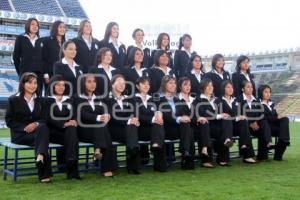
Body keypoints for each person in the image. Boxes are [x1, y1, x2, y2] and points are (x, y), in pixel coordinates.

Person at [5, 72, 52, 182]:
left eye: (35, 83)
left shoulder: (40, 100)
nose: (33, 85)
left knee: (42, 127)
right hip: (20, 135)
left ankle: (41, 157)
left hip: (37, 134)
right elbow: (9, 121)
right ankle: (44, 172)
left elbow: (44, 118)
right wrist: (25, 127)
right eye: (29, 83)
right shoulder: (13, 99)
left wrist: (35, 124)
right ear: (23, 84)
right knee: (42, 136)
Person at [75, 74, 118, 177]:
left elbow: (105, 110)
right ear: (83, 83)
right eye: (89, 81)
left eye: (94, 81)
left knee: (103, 130)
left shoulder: (99, 97)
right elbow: (82, 114)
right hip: (85, 131)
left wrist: (107, 116)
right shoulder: (77, 97)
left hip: (99, 131)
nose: (92, 84)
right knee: (104, 131)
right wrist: (99, 117)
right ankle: (107, 167)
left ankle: (98, 149)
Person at [44, 75, 80, 179]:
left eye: (63, 85)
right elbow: (48, 117)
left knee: (72, 131)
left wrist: (74, 121)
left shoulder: (69, 100)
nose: (61, 87)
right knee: (72, 137)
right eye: (58, 85)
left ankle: (71, 162)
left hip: (68, 133)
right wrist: (64, 124)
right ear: (53, 86)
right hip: (53, 133)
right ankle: (72, 168)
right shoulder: (47, 100)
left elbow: (74, 114)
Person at [193, 78, 234, 166]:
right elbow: (203, 113)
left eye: (211, 85)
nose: (210, 87)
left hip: (217, 127)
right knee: (205, 123)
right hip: (206, 126)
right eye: (208, 86)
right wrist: (219, 115)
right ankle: (207, 160)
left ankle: (227, 140)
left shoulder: (216, 100)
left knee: (227, 120)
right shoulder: (198, 100)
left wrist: (224, 114)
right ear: (203, 87)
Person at [157, 76, 195, 169]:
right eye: (170, 83)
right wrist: (179, 119)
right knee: (187, 129)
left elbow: (183, 113)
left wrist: (185, 117)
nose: (173, 85)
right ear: (164, 85)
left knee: (187, 126)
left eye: (174, 83)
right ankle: (186, 155)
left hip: (179, 129)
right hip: (166, 129)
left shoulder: (177, 99)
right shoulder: (159, 99)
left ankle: (186, 153)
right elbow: (165, 116)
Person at [106, 74, 141, 174]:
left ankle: (132, 151)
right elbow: (112, 116)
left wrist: (134, 119)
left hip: (128, 131)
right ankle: (133, 159)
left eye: (124, 83)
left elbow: (133, 112)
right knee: (131, 128)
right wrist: (129, 120)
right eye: (119, 83)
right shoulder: (107, 99)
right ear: (112, 85)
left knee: (132, 127)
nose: (122, 85)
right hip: (114, 130)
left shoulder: (128, 99)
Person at [215, 80, 256, 163]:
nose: (231, 89)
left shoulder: (236, 101)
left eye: (232, 87)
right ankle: (223, 158)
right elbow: (222, 116)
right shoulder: (218, 101)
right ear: (223, 88)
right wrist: (236, 118)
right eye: (228, 87)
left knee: (244, 121)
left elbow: (239, 114)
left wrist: (241, 117)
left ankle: (245, 148)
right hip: (224, 127)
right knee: (227, 120)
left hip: (235, 127)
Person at [133, 77, 167, 172]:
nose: (147, 86)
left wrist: (159, 113)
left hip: (153, 130)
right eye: (144, 84)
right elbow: (137, 115)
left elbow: (157, 110)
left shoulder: (152, 99)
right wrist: (153, 119)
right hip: (140, 130)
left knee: (159, 124)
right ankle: (160, 165)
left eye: (148, 84)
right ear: (137, 86)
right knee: (158, 127)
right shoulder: (133, 99)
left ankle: (156, 146)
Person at [236, 81, 273, 161]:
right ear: (243, 89)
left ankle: (262, 155)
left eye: (252, 87)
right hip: (244, 126)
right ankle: (249, 155)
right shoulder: (238, 100)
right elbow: (239, 114)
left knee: (264, 123)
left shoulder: (255, 100)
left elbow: (260, 114)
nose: (251, 89)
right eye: (248, 87)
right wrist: (250, 123)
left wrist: (256, 122)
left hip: (255, 126)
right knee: (244, 122)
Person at [258, 84, 290, 161]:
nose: (268, 94)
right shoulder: (257, 103)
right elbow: (262, 117)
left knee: (285, 119)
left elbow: (275, 116)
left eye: (269, 92)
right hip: (265, 127)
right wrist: (276, 117)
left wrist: (279, 116)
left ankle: (283, 144)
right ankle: (283, 141)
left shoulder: (271, 103)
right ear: (261, 93)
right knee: (266, 121)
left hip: (273, 127)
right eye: (266, 92)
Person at [13, 18, 45, 95]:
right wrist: (21, 72)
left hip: (39, 75)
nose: (35, 26)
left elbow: (44, 58)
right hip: (25, 73)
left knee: (38, 98)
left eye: (37, 25)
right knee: (24, 97)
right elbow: (16, 57)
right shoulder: (20, 38)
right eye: (33, 24)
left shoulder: (41, 41)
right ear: (28, 25)